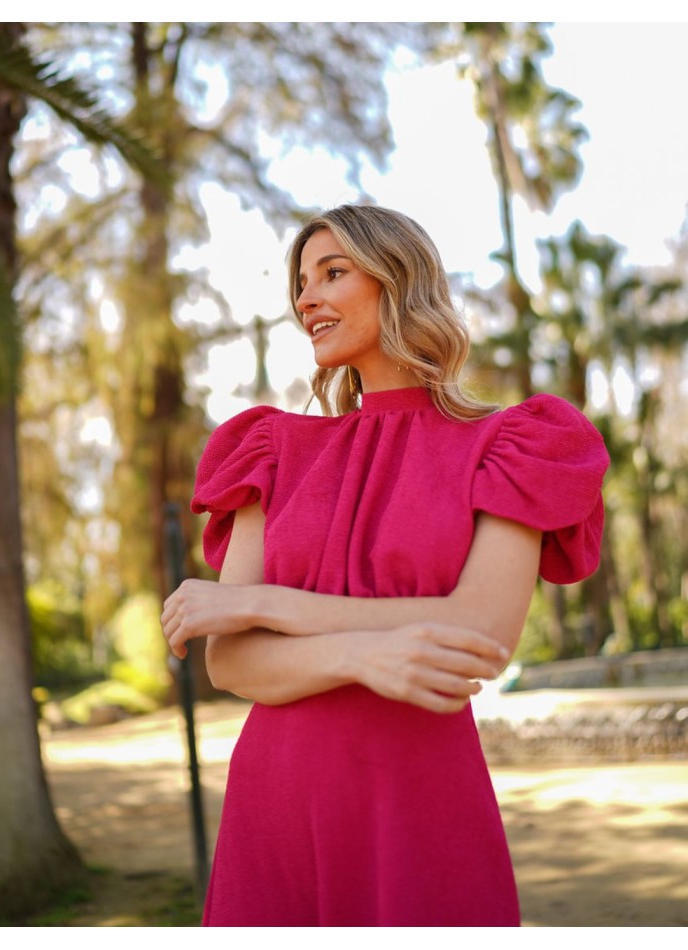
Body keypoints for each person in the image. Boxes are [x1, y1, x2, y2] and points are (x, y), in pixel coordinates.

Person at [161, 204, 609, 927]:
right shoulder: (271, 450)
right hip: (273, 802)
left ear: (398, 281)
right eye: (302, 283)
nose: (307, 298)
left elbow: (480, 631)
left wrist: (264, 605)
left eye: (333, 273)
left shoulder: (513, 444)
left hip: (418, 797)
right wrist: (370, 653)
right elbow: (233, 663)